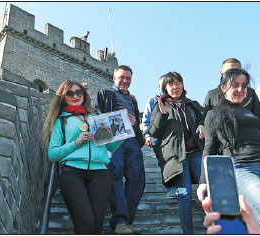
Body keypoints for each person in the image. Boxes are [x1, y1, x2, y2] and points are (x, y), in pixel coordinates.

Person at [197, 68, 260, 234]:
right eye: (235, 85)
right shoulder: (214, 114)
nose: (241, 90)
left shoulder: (251, 114)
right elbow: (209, 147)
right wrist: (203, 181)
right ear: (223, 88)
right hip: (243, 169)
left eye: (244, 86)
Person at [43, 80, 123, 234]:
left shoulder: (96, 117)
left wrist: (123, 132)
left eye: (79, 92)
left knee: (97, 227)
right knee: (85, 224)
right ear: (63, 97)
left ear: (84, 94)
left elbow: (111, 147)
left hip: (100, 173)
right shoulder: (61, 121)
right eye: (70, 93)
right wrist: (76, 142)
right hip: (72, 173)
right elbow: (52, 155)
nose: (75, 96)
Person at [148, 72, 205, 234]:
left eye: (178, 83)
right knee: (185, 195)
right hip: (177, 157)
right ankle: (188, 232)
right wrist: (163, 114)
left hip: (196, 153)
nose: (175, 87)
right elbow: (154, 131)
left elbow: (205, 116)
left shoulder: (192, 104)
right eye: (171, 84)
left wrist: (202, 124)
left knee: (207, 191)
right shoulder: (160, 106)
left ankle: (216, 227)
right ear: (165, 88)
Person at [93, 65, 145, 234]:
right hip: (114, 138)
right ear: (114, 78)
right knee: (115, 175)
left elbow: (136, 121)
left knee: (138, 179)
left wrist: (135, 123)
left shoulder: (133, 99)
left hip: (132, 141)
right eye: (121, 77)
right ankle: (120, 221)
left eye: (128, 78)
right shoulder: (104, 93)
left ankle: (127, 221)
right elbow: (94, 112)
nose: (125, 81)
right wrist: (119, 118)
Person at [141, 76, 177, 199]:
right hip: (158, 138)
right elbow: (146, 120)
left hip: (174, 138)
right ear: (159, 86)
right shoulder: (153, 100)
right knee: (164, 162)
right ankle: (170, 187)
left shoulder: (176, 100)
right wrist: (147, 135)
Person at [204, 58, 260, 126]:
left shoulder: (251, 93)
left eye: (237, 70)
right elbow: (204, 119)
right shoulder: (212, 94)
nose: (234, 74)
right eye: (229, 71)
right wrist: (201, 125)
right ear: (221, 74)